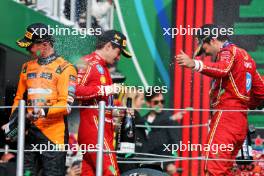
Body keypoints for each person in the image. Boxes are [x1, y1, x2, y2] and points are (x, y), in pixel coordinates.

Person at [175, 24, 264, 175]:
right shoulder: (246, 56)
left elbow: (222, 69)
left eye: (203, 45)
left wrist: (194, 63)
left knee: (213, 171)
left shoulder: (227, 52)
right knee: (224, 171)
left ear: (213, 39)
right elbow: (261, 93)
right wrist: (250, 104)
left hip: (226, 119)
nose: (205, 52)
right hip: (240, 122)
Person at [2, 23, 77, 175]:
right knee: (25, 174)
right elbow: (19, 99)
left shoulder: (66, 68)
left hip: (54, 136)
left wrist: (41, 112)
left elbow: (66, 104)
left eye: (30, 46)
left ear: (45, 44)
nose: (27, 49)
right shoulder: (26, 67)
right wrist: (14, 124)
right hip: (29, 133)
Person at [75, 29, 132, 176]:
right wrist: (105, 90)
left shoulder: (104, 67)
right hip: (93, 129)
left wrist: (118, 111)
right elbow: (74, 91)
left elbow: (103, 99)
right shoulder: (88, 62)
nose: (119, 58)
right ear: (108, 46)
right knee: (111, 172)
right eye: (119, 52)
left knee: (90, 173)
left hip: (103, 129)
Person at [139, 89, 182, 175]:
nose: (159, 104)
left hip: (163, 165)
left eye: (162, 101)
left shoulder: (170, 119)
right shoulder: (142, 120)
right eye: (156, 102)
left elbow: (175, 142)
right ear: (148, 104)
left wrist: (170, 163)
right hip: (146, 165)